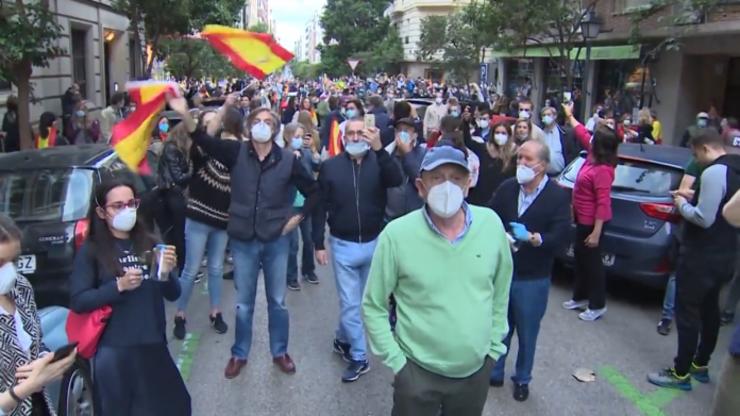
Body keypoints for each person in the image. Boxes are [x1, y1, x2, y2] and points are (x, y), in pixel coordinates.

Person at [171, 94, 319, 379]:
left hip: (276, 240)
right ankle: (239, 353)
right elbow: (202, 139)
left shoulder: (289, 160)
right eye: (257, 121)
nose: (262, 125)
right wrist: (184, 114)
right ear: (250, 127)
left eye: (268, 122)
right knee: (244, 302)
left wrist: (296, 218)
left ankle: (280, 352)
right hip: (243, 240)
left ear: (275, 130)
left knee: (277, 301)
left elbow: (314, 192)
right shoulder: (235, 152)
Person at [362, 145, 513, 415]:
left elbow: (501, 292)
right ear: (421, 187)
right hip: (417, 374)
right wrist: (397, 363)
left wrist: (493, 349)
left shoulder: (491, 225)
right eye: (437, 178)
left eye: (455, 179)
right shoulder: (397, 235)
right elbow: (374, 305)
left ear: (468, 185)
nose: (447, 187)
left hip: (474, 374)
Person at [69, 179, 191, 415]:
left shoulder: (149, 242)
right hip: (115, 352)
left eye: (131, 203)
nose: (126, 210)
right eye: (117, 206)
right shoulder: (92, 250)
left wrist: (165, 273)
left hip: (153, 345)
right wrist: (118, 286)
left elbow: (173, 293)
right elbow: (79, 300)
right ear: (101, 212)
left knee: (175, 406)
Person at [648, 130, 740, 390]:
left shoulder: (713, 172)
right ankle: (701, 364)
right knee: (711, 309)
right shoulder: (735, 170)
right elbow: (725, 207)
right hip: (727, 253)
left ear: (703, 148)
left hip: (701, 256)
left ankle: (680, 373)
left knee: (687, 313)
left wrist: (680, 203)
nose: (696, 160)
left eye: (695, 154)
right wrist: (694, 196)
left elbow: (703, 218)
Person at [313, 117, 403, 382]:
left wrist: (378, 149)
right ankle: (359, 357)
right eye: (349, 133)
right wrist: (318, 243)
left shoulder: (379, 161)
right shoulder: (330, 167)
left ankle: (343, 339)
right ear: (343, 138)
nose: (354, 137)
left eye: (359, 133)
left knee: (365, 302)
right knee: (352, 305)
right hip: (343, 245)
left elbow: (396, 179)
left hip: (374, 243)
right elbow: (320, 206)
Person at [488, 140, 570, 401]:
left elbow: (561, 236)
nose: (521, 163)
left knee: (527, 332)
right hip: (504, 272)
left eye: (527, 159)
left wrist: (536, 238)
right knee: (500, 326)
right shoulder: (508, 188)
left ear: (542, 166)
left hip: (533, 278)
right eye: (519, 158)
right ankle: (496, 370)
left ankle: (522, 378)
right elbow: (490, 216)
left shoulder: (557, 197)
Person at [0, 214, 77, 415]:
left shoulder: (21, 287)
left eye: (14, 260)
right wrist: (26, 387)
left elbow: (35, 341)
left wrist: (49, 361)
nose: (8, 270)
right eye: (0, 262)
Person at [172, 108, 235, 340]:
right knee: (191, 269)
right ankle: (180, 313)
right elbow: (199, 134)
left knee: (217, 268)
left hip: (222, 221)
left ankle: (215, 311)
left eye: (215, 122)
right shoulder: (199, 152)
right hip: (199, 219)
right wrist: (221, 109)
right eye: (206, 123)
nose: (212, 126)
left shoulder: (230, 152)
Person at [562, 103, 619, 321]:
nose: (591, 138)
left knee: (593, 264)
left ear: (600, 146)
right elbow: (581, 132)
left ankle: (597, 304)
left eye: (595, 138)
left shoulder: (603, 170)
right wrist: (570, 115)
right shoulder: (592, 157)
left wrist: (596, 232)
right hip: (581, 218)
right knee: (580, 259)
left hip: (592, 223)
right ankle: (580, 296)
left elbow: (603, 204)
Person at [285, 122, 320, 291]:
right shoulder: (283, 155)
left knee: (308, 240)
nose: (299, 140)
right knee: (292, 245)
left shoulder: (305, 153)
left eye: (302, 137)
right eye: (296, 137)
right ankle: (291, 276)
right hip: (290, 205)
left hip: (305, 205)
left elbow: (316, 167)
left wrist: (313, 151)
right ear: (288, 137)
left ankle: (309, 270)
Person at [155, 123, 192, 273]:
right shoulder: (172, 149)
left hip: (174, 193)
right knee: (180, 231)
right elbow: (178, 177)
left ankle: (180, 264)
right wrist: (192, 170)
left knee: (178, 231)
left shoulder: (174, 149)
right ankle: (182, 266)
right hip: (173, 193)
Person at [464, 115, 517, 206]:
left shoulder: (514, 153)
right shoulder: (484, 148)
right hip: (481, 196)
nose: (500, 135)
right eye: (497, 132)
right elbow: (468, 141)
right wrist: (465, 123)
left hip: (502, 198)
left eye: (503, 133)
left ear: (509, 135)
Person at [384, 118, 426, 222]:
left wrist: (407, 154)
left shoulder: (423, 155)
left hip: (415, 218)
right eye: (399, 130)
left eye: (406, 131)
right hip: (390, 218)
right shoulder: (388, 155)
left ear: (414, 135)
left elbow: (420, 180)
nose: (401, 133)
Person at [539, 106, 579, 175]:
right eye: (544, 115)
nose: (546, 117)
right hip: (543, 175)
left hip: (560, 174)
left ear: (555, 116)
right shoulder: (539, 132)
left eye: (548, 115)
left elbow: (572, 153)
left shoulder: (565, 133)